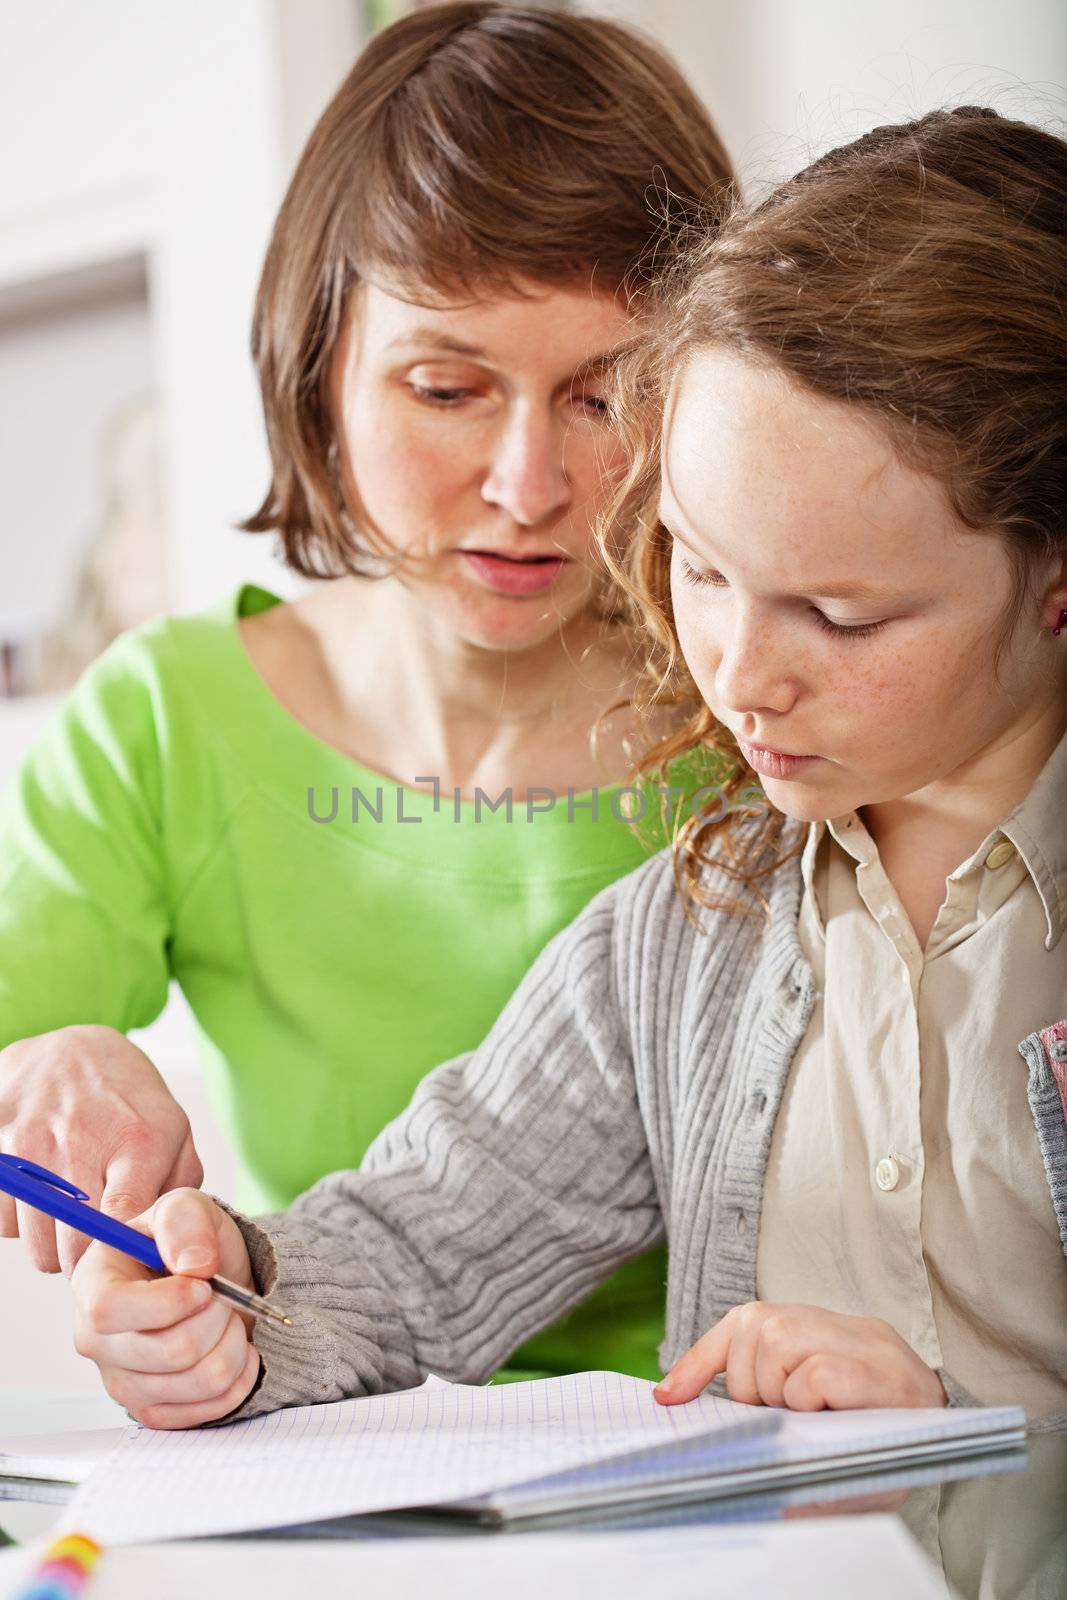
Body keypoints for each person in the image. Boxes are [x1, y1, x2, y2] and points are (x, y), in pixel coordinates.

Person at [71, 104, 1067, 1433]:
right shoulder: (682, 933)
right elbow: (421, 1246)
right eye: (700, 570)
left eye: (840, 616)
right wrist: (235, 1291)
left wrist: (964, 1428)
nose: (738, 673)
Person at [0, 2, 734, 1384]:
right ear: (318, 367)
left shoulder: (777, 712)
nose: (527, 488)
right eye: (447, 388)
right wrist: (48, 1057)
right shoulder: (171, 718)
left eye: (605, 396)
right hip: (331, 1454)